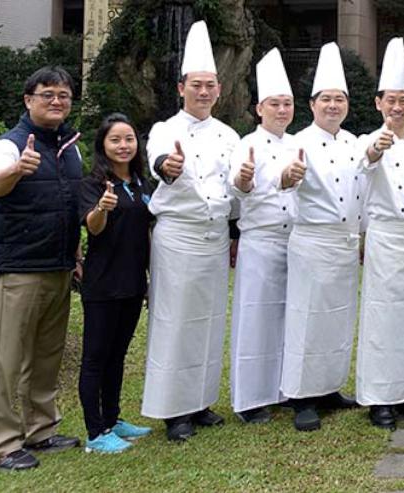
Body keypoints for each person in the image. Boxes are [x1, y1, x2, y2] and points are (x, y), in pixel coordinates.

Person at [0, 66, 84, 470]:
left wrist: (76, 254)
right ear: (28, 100)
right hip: (19, 268)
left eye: (64, 95)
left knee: (47, 355)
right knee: (7, 360)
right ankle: (5, 444)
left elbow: (71, 205)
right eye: (47, 94)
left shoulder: (70, 148)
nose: (57, 101)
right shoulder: (8, 145)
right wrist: (17, 169)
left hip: (59, 266)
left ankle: (41, 429)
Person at [142, 21, 239, 442]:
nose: (203, 92)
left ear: (219, 90)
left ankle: (199, 402)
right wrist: (168, 166)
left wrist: (246, 183)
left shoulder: (229, 135)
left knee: (210, 320)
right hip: (178, 237)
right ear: (181, 88)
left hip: (214, 237)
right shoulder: (165, 130)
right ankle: (172, 410)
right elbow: (158, 160)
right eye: (196, 85)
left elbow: (238, 184)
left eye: (210, 85)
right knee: (174, 321)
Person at [281, 42, 363, 432]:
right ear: (312, 104)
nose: (333, 105)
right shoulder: (297, 141)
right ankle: (301, 397)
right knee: (307, 318)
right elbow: (282, 179)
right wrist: (288, 177)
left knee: (338, 318)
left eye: (339, 99)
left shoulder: (354, 143)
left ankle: (329, 387)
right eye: (326, 99)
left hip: (345, 243)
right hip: (312, 242)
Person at [356, 38, 404, 429]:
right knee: (383, 317)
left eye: (403, 100)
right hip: (385, 238)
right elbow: (362, 168)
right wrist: (376, 150)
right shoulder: (366, 141)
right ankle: (381, 397)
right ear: (378, 103)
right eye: (390, 100)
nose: (396, 107)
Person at [227, 48, 300, 427]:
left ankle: (283, 389)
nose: (282, 110)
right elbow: (238, 187)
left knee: (289, 317)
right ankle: (250, 398)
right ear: (259, 109)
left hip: (295, 242)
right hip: (260, 240)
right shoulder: (246, 144)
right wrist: (246, 180)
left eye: (287, 104)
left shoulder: (298, 143)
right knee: (255, 318)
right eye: (275, 104)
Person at [76, 114, 155, 454]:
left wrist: (150, 278)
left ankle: (112, 417)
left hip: (133, 282)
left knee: (118, 354)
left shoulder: (141, 184)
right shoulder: (92, 185)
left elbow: (148, 231)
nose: (123, 146)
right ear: (103, 145)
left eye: (129, 139)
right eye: (115, 140)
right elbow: (93, 228)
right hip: (103, 283)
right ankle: (96, 433)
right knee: (96, 356)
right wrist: (102, 208)